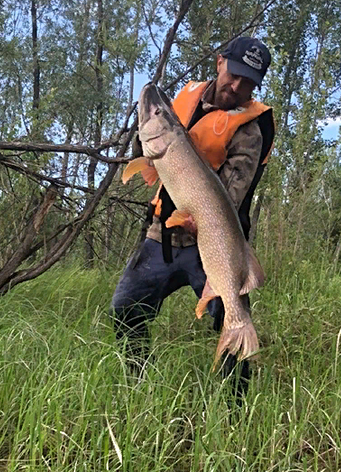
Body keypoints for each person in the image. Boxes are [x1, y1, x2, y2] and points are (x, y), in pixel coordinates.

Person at [111, 37, 275, 403]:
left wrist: (199, 218)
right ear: (220, 63)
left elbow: (233, 194)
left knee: (230, 318)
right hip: (162, 236)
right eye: (234, 75)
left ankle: (236, 407)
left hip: (215, 241)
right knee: (125, 308)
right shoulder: (180, 104)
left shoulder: (250, 129)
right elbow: (145, 155)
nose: (237, 86)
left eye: (248, 82)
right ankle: (138, 384)